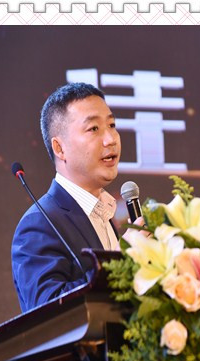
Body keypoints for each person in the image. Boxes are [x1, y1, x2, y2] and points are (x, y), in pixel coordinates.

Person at [12, 82, 122, 313]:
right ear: (59, 148)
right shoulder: (38, 224)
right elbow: (46, 313)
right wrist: (123, 261)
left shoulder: (103, 214)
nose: (110, 139)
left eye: (112, 125)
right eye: (94, 128)